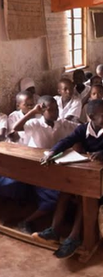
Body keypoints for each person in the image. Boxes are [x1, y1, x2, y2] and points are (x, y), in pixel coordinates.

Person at [38, 100, 103, 258]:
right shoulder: (82, 129)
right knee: (66, 189)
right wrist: (51, 152)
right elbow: (66, 141)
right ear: (91, 116)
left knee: (85, 191)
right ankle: (54, 229)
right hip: (87, 171)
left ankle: (74, 237)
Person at [6, 97, 76, 234]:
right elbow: (16, 128)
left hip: (55, 167)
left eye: (57, 109)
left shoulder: (63, 123)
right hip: (37, 168)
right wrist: (33, 111)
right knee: (56, 198)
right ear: (43, 111)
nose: (55, 112)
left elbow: (81, 129)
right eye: (51, 110)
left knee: (68, 194)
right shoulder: (35, 123)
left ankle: (58, 215)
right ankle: (26, 221)